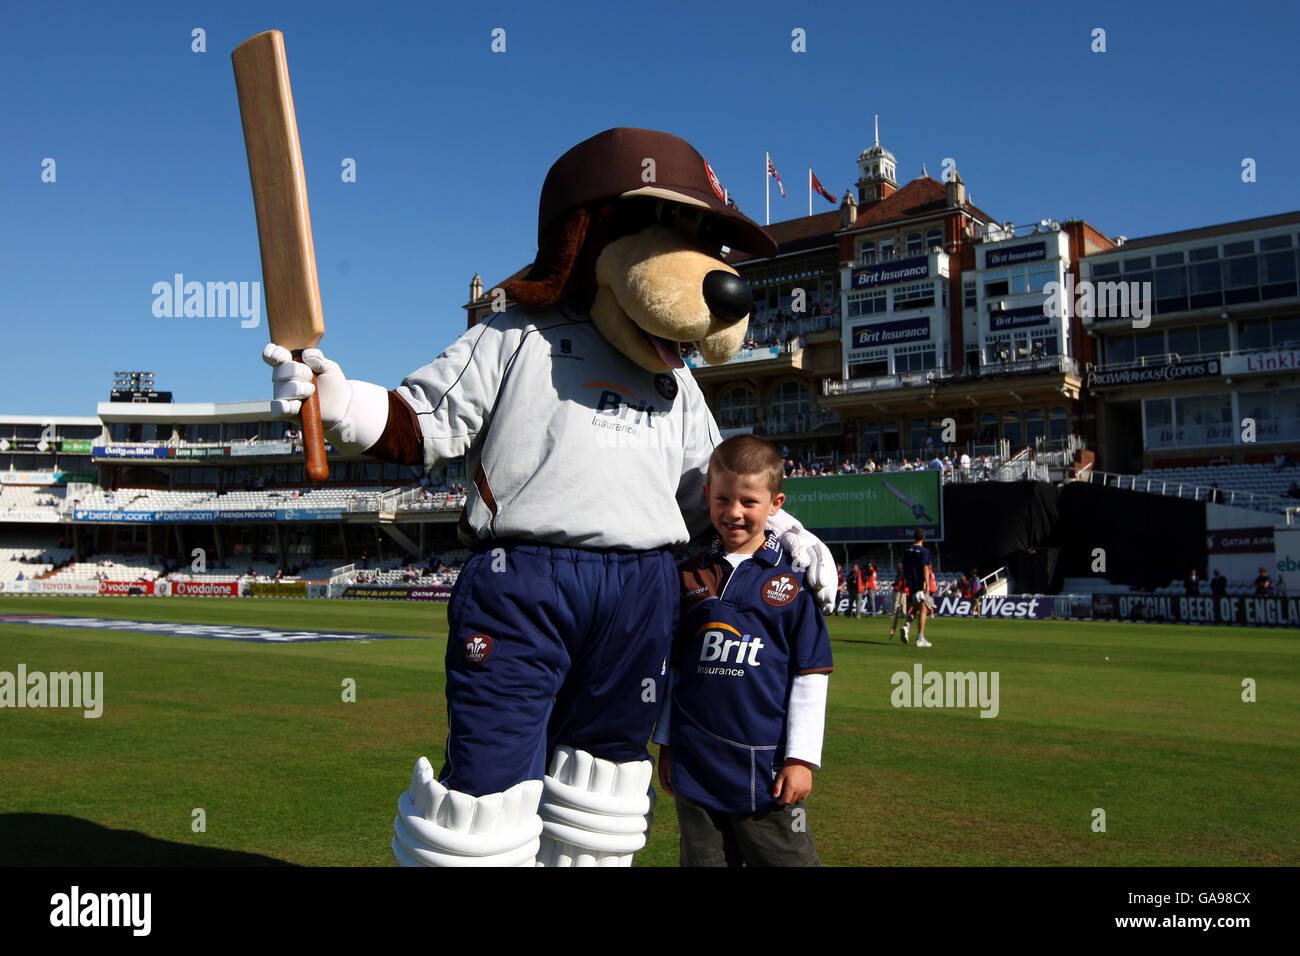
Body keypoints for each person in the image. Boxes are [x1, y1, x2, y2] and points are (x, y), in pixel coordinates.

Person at [654, 435, 832, 866]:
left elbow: (810, 675)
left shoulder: (794, 582)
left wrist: (801, 758)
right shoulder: (688, 576)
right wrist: (666, 743)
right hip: (695, 763)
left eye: (749, 502)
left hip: (766, 770)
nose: (734, 512)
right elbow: (672, 672)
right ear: (706, 498)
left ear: (776, 504)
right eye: (722, 499)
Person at [901, 528, 935, 647]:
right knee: (923, 609)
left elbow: (902, 566)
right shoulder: (924, 551)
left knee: (915, 609)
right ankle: (920, 638)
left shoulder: (907, 550)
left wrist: (902, 580)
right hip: (920, 583)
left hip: (910, 584)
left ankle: (907, 626)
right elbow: (926, 568)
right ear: (924, 538)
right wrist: (927, 583)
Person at [887, 562, 909, 642]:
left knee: (903, 603)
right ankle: (896, 613)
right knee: (898, 603)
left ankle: (903, 614)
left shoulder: (904, 575)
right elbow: (897, 582)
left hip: (903, 591)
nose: (898, 569)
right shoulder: (898, 575)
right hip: (899, 590)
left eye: (899, 567)